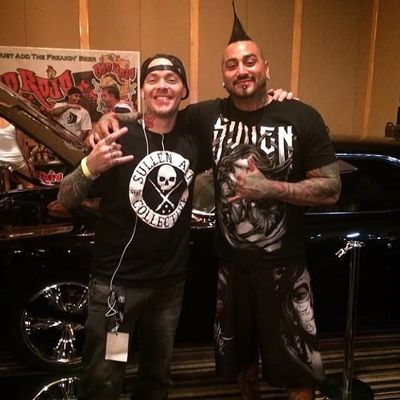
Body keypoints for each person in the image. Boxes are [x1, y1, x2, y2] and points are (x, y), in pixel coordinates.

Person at [96, 6, 341, 398]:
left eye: (250, 62)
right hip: (229, 270)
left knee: (297, 369)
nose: (241, 70)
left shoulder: (301, 116)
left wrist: (270, 188)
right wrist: (109, 121)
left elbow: (331, 189)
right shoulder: (206, 116)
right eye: (231, 65)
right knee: (241, 367)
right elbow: (159, 115)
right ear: (222, 76)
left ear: (266, 68)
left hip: (284, 270)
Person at [57, 54, 206, 400]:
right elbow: (66, 198)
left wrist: (276, 98)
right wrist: (90, 167)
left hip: (168, 288)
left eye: (171, 79)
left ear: (184, 90)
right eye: (153, 79)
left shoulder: (193, 141)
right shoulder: (117, 136)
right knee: (108, 376)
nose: (162, 86)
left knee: (156, 376)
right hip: (119, 291)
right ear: (142, 90)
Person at [0, 116, 34, 190]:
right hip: (15, 158)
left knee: (4, 187)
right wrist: (29, 161)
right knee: (29, 185)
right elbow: (21, 145)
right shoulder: (15, 120)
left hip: (1, 159)